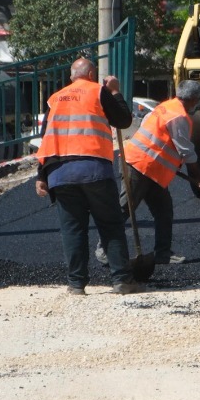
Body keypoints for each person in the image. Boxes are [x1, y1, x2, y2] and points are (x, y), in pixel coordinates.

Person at [35, 57, 135, 294]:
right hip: (94, 170)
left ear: (72, 76)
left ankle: (76, 284)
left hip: (60, 173)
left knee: (73, 229)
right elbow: (123, 120)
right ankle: (121, 280)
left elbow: (46, 139)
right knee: (110, 225)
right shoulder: (97, 91)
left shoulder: (55, 99)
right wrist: (115, 92)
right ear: (91, 74)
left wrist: (41, 175)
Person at [107, 80, 200, 269]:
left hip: (153, 169)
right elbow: (186, 151)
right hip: (139, 165)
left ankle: (163, 253)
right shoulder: (178, 116)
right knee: (126, 207)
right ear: (194, 99)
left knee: (164, 211)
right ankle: (104, 248)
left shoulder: (166, 106)